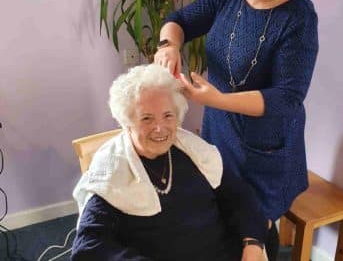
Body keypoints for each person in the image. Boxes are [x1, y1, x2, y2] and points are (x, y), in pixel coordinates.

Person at [154, 0, 319, 260]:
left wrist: (217, 100)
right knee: (221, 210)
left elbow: (287, 98)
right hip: (220, 131)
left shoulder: (298, 18)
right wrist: (168, 45)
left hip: (264, 147)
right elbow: (179, 20)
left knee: (254, 229)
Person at [70, 64, 269, 261]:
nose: (159, 128)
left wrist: (252, 246)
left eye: (167, 116)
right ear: (127, 123)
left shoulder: (195, 151)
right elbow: (89, 246)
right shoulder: (113, 170)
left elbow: (240, 196)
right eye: (147, 118)